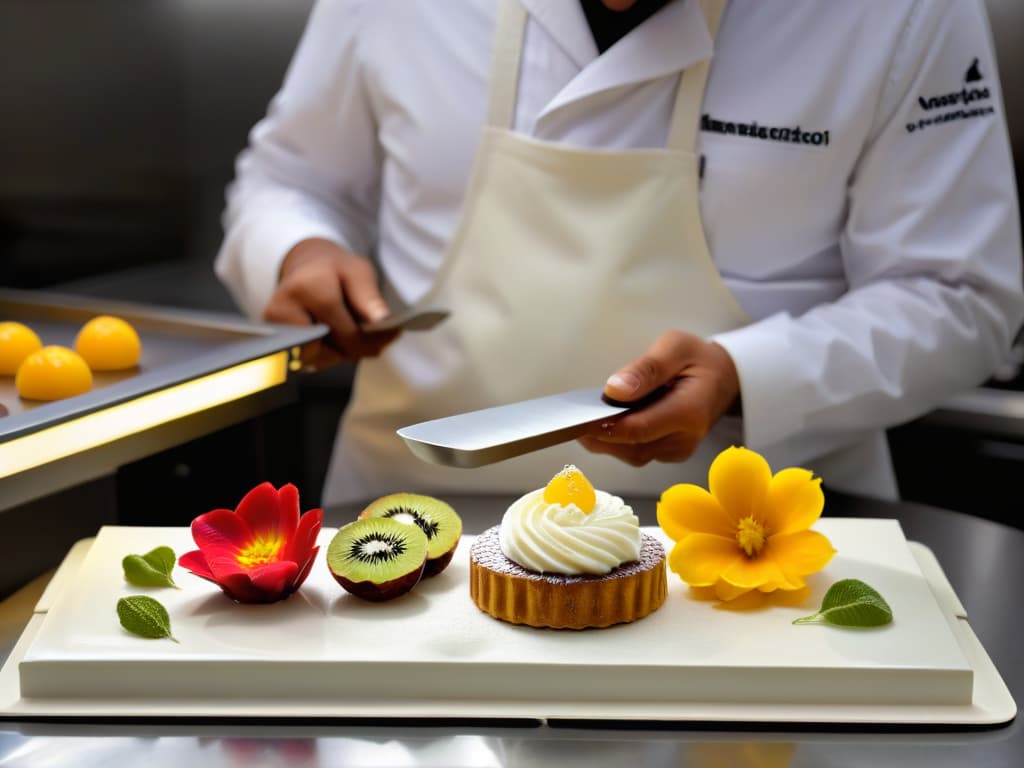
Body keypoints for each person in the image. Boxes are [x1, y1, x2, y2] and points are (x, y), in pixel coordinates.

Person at [215, 0, 1024, 507]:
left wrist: (748, 376)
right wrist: (298, 251)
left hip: (755, 541)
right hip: (417, 522)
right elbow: (289, 179)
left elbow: (958, 296)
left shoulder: (900, 14)